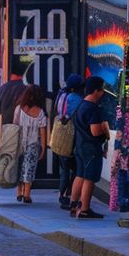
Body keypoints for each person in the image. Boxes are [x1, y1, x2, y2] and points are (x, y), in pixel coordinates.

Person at [68, 76, 109, 219]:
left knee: (79, 175)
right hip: (91, 148)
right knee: (89, 178)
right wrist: (105, 128)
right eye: (101, 89)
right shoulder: (93, 108)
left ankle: (73, 205)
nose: (103, 93)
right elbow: (95, 131)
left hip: (80, 146)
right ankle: (85, 209)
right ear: (96, 91)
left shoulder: (81, 105)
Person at [12, 85, 48, 204]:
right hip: (33, 143)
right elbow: (42, 131)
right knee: (29, 168)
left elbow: (14, 127)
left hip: (19, 143)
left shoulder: (19, 109)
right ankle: (27, 194)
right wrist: (43, 147)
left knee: (20, 166)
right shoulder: (41, 112)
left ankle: (19, 192)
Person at [53, 75, 85, 209]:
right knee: (75, 169)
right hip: (72, 137)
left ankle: (62, 194)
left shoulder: (61, 95)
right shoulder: (76, 98)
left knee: (64, 168)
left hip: (60, 135)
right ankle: (69, 195)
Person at [0, 70, 27, 152]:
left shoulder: (3, 88)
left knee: (7, 155)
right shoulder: (26, 89)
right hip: (22, 128)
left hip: (6, 128)